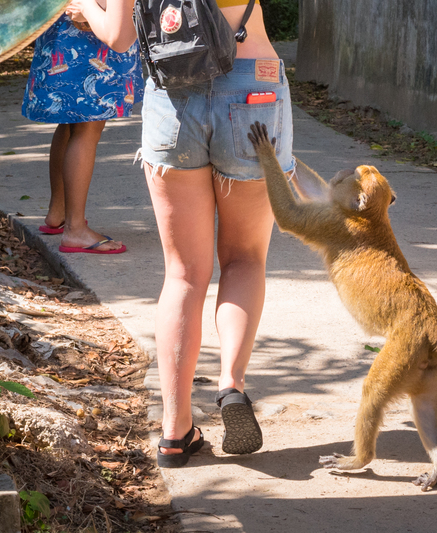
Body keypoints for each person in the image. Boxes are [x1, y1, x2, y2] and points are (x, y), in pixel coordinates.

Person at [136, 1, 295, 467]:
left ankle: (174, 432)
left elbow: (118, 36)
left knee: (183, 274)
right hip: (253, 80)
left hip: (172, 92)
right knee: (245, 256)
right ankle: (230, 383)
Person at [22, 0, 143, 254]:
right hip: (89, 35)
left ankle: (58, 213)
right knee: (87, 128)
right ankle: (75, 229)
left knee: (70, 123)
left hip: (64, 30)